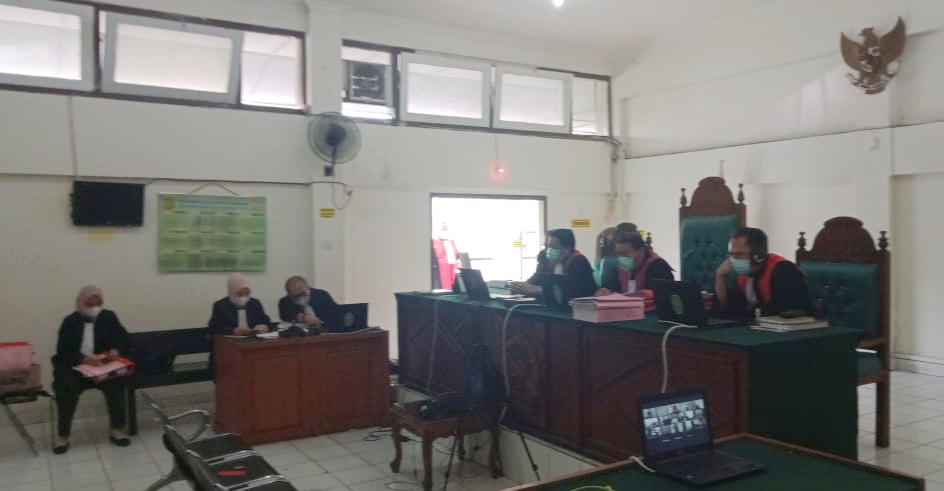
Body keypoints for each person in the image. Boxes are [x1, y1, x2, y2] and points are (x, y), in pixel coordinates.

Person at [51, 285, 130, 454]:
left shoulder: (108, 317)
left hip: (101, 366)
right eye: (90, 304)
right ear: (80, 303)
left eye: (98, 303)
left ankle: (117, 429)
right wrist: (84, 359)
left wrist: (116, 350)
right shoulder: (70, 321)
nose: (94, 307)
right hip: (75, 367)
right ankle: (63, 435)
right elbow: (63, 351)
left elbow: (123, 338)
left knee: (116, 383)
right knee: (65, 388)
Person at [714, 227, 811, 319]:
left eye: (739, 254)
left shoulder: (783, 270)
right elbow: (730, 311)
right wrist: (720, 276)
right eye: (731, 255)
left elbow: (787, 313)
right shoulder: (741, 274)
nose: (733, 260)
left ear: (758, 256)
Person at [509, 229, 597, 298]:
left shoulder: (579, 262)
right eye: (548, 246)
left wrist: (538, 290)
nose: (549, 250)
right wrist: (522, 286)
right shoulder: (545, 258)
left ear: (568, 248)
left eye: (554, 247)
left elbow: (574, 291)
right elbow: (537, 278)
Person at [597, 232, 674, 295]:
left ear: (640, 251)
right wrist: (606, 292)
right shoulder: (618, 267)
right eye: (619, 254)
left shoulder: (658, 266)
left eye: (625, 254)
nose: (621, 258)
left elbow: (661, 295)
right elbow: (611, 288)